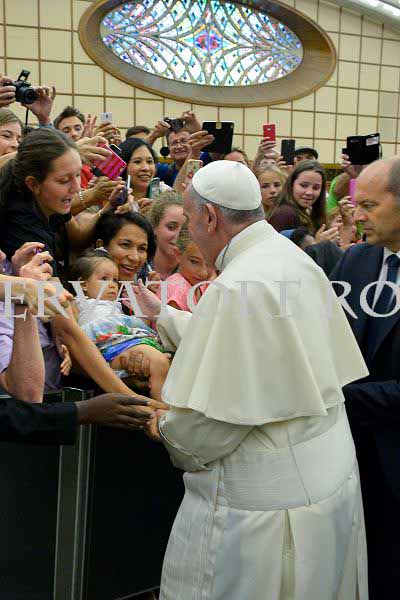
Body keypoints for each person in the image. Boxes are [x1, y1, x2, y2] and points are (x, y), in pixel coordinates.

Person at [133, 161, 369, 600]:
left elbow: (209, 425)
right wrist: (163, 315)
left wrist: (164, 426)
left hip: (264, 518)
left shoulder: (236, 284)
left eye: (190, 220)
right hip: (327, 484)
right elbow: (254, 344)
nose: (189, 232)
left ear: (210, 217)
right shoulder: (289, 256)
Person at [330, 156, 400, 599]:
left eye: (370, 206)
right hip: (346, 461)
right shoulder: (355, 261)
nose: (357, 216)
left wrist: (338, 397)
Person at [70, 250, 170, 401]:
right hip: (105, 350)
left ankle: (159, 404)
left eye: (115, 280)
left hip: (127, 345)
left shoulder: (116, 307)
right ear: (83, 284)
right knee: (159, 362)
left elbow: (139, 327)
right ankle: (161, 406)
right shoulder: (77, 302)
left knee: (167, 362)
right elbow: (68, 332)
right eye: (104, 279)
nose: (112, 285)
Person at [269, 160, 340, 244]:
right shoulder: (285, 213)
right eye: (303, 185)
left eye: (316, 188)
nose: (309, 192)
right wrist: (317, 244)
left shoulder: (311, 212)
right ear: (291, 184)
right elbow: (281, 250)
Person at [156, 224, 213, 311]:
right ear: (178, 254)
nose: (203, 272)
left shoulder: (202, 284)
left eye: (209, 263)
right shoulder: (178, 289)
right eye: (194, 261)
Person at [146, 192, 186, 280]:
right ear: (154, 226)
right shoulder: (137, 265)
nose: (179, 235)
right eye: (171, 227)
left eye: (185, 229)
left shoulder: (194, 275)